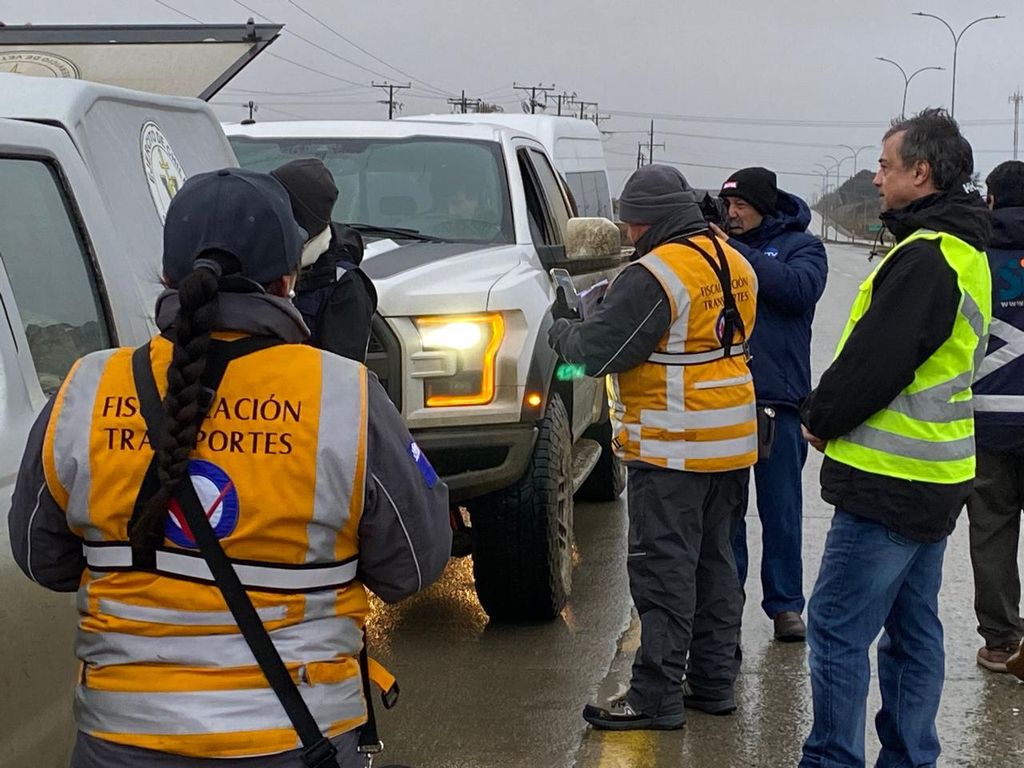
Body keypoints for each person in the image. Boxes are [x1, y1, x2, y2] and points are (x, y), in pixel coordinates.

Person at [7, 167, 451, 768]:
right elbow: (413, 566)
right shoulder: (346, 398)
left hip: (118, 743)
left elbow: (43, 561)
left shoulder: (85, 390)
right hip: (298, 739)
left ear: (169, 275)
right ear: (288, 278)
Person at [799, 108, 991, 767]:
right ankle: (910, 758)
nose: (876, 179)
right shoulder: (964, 249)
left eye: (886, 166)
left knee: (837, 627)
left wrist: (819, 416)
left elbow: (877, 362)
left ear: (922, 171)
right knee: (912, 630)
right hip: (934, 480)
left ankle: (833, 759)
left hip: (889, 483)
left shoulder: (928, 256)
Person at [549, 164, 758, 729]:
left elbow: (596, 355)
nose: (629, 236)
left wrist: (563, 326)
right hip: (730, 445)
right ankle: (714, 682)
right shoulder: (732, 258)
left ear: (651, 221)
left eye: (632, 226)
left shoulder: (655, 275)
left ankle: (655, 696)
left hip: (673, 450)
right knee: (716, 566)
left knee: (663, 574)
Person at [709, 166, 828, 643]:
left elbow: (796, 291)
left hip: (780, 398)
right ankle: (725, 600)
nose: (733, 215)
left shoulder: (804, 247)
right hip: (724, 398)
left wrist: (732, 250)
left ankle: (785, 606)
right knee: (725, 509)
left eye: (741, 206)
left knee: (781, 509)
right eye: (728, 207)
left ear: (766, 206)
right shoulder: (715, 251)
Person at [967, 159, 1024, 673]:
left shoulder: (974, 257)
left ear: (991, 199)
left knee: (991, 531)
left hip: (986, 421)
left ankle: (1003, 642)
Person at [271, 158, 378, 363]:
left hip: (303, 392)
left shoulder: (344, 282)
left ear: (298, 215)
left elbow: (342, 374)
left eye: (279, 202)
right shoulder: (263, 261)